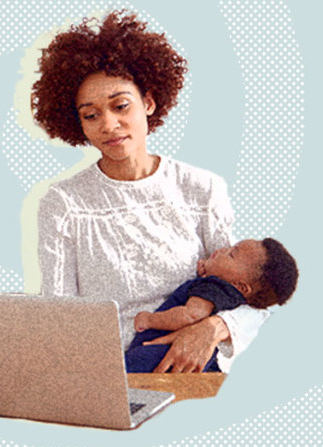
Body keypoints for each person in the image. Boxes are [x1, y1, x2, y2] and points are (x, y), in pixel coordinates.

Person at [32, 10, 269, 373]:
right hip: (103, 376)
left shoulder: (201, 190)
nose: (109, 124)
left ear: (149, 103)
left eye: (120, 105)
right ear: (77, 124)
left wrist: (212, 329)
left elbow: (249, 292)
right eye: (90, 115)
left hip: (192, 376)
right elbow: (60, 314)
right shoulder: (64, 204)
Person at [125, 238, 299, 372]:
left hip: (167, 350)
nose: (224, 249)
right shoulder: (228, 294)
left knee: (127, 366)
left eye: (231, 254)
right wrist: (208, 268)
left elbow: (191, 315)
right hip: (196, 358)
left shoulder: (214, 287)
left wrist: (150, 319)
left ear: (240, 286)